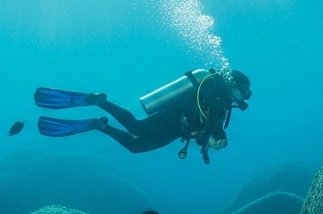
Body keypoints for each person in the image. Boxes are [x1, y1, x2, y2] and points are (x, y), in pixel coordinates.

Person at [34, 69, 251, 164]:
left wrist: (210, 141)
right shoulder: (212, 88)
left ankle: (99, 125)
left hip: (177, 132)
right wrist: (215, 129)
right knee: (136, 128)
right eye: (242, 92)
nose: (241, 98)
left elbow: (204, 130)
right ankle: (99, 100)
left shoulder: (222, 108)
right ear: (232, 85)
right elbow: (193, 106)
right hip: (172, 117)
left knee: (135, 147)